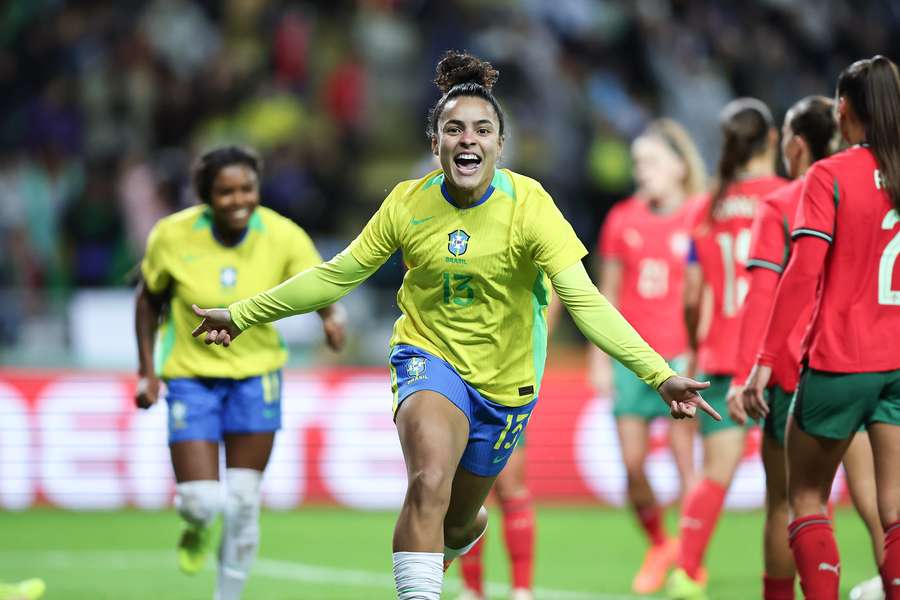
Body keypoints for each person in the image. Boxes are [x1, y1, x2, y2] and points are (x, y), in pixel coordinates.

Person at [189, 50, 719, 600]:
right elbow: (336, 275)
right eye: (454, 129)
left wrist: (658, 374)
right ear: (435, 144)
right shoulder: (407, 204)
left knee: (457, 522)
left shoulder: (529, 205)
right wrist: (242, 314)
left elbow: (584, 302)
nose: (469, 140)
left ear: (499, 144)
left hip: (507, 384)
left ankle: (462, 532)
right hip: (428, 357)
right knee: (428, 480)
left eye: (482, 130)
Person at [134, 145, 346, 600]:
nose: (239, 200)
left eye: (247, 189)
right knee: (200, 502)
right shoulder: (172, 235)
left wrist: (331, 317)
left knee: (245, 501)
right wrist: (147, 372)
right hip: (191, 378)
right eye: (226, 192)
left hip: (257, 375)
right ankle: (196, 527)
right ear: (205, 196)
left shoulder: (283, 234)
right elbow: (148, 301)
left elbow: (318, 283)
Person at [743, 55, 900, 600]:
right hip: (897, 365)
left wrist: (764, 361)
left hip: (841, 360)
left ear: (844, 109)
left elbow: (802, 272)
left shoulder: (830, 175)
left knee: (805, 497)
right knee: (894, 508)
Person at [667, 98, 787, 600]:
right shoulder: (789, 196)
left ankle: (686, 572)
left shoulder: (707, 206)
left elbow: (692, 295)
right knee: (790, 486)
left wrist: (696, 345)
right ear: (773, 139)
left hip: (721, 353)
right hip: (779, 355)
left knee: (715, 472)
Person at [591, 119, 706, 594]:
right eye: (638, 163)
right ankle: (661, 544)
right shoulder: (622, 219)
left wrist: (699, 349)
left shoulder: (701, 215)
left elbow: (709, 290)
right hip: (631, 360)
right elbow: (607, 293)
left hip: (680, 356)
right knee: (633, 466)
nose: (643, 171)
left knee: (685, 464)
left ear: (680, 166)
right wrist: (600, 358)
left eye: (652, 161)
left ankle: (690, 562)